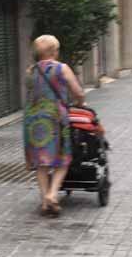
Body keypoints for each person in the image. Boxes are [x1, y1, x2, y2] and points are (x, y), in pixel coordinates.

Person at [23, 35, 85, 218]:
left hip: (33, 121)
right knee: (62, 159)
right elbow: (78, 92)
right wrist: (80, 101)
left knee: (42, 161)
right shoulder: (61, 68)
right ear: (54, 51)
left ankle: (44, 201)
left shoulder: (30, 71)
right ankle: (52, 194)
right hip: (55, 119)